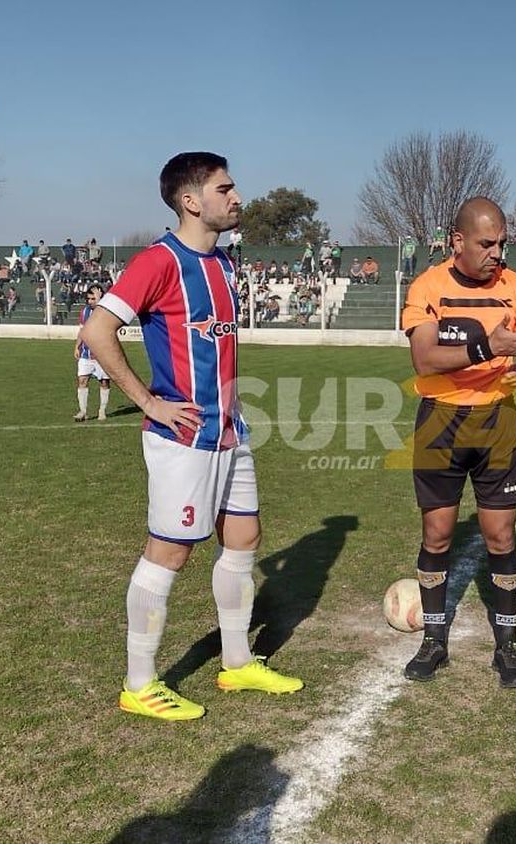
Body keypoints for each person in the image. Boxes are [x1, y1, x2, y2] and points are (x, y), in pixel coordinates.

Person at [79, 151, 301, 721]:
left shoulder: (224, 265)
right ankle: (139, 682)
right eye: (225, 188)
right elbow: (97, 330)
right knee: (171, 552)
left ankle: (236, 661)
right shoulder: (158, 262)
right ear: (191, 201)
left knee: (244, 539)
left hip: (231, 432)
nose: (237, 197)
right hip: (183, 439)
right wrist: (149, 401)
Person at [400, 196, 516, 690]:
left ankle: (507, 647)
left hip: (497, 422)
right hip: (440, 421)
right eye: (487, 243)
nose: (497, 252)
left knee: (501, 537)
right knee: (437, 536)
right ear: (457, 242)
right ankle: (433, 640)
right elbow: (425, 358)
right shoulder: (428, 286)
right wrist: (492, 348)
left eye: (502, 242)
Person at [73, 285, 114, 421]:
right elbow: (82, 331)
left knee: (104, 382)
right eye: (88, 299)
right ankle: (83, 411)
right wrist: (77, 346)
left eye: (93, 298)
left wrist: (100, 300)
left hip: (102, 354)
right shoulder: (84, 312)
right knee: (82, 380)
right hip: (86, 354)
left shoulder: (105, 311)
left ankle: (102, 410)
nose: (90, 301)